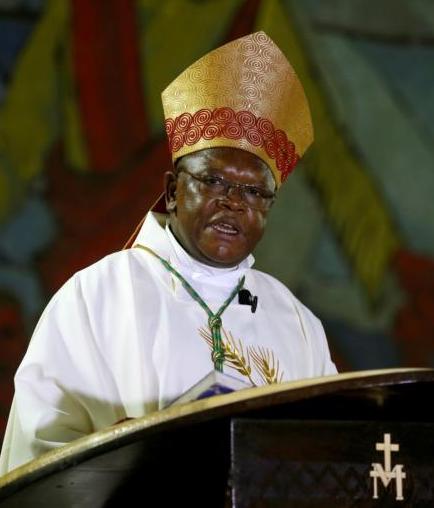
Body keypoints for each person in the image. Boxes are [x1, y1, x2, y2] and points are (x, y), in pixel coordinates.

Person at [0, 31, 336, 474]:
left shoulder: (296, 323)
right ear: (173, 190)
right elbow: (37, 456)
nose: (234, 202)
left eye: (254, 191)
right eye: (214, 181)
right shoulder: (97, 295)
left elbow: (332, 449)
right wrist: (131, 453)